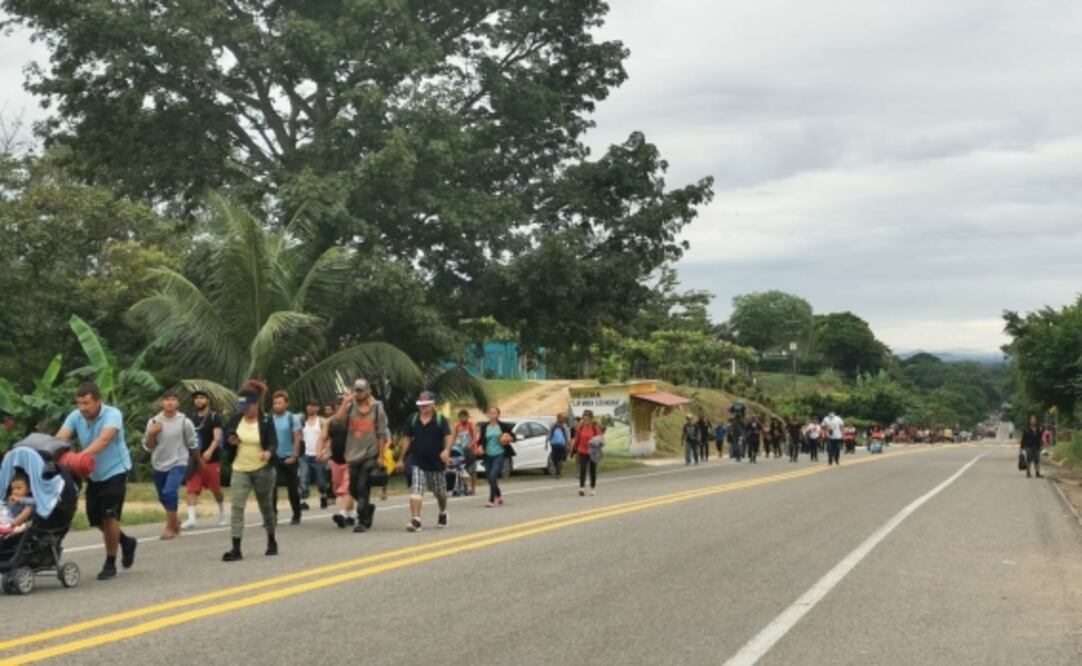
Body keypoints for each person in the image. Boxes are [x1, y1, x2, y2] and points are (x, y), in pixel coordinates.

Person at [56, 381, 137, 581]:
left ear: (98, 401)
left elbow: (104, 440)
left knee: (109, 516)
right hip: (94, 475)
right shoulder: (76, 416)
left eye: (86, 403)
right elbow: (60, 438)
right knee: (97, 519)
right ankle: (126, 542)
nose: (82, 408)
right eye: (79, 404)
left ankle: (110, 563)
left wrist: (77, 458)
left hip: (116, 470)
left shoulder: (112, 414)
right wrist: (49, 451)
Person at [222, 380, 278, 562]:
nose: (244, 409)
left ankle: (271, 539)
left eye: (247, 406)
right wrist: (231, 442)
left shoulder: (267, 420)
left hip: (262, 469)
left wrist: (268, 452)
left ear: (256, 404)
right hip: (240, 468)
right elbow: (227, 438)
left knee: (266, 506)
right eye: (241, 406)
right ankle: (236, 548)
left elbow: (272, 441)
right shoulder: (235, 418)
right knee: (237, 507)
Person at [332, 379, 389, 532]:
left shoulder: (377, 409)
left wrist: (381, 457)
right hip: (352, 454)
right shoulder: (350, 407)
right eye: (356, 390)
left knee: (362, 486)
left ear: (368, 392)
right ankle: (368, 508)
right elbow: (337, 420)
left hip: (370, 453)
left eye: (361, 391)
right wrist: (345, 402)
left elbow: (381, 434)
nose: (358, 393)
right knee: (353, 489)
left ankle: (362, 521)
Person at [142, 389, 200, 540]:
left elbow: (192, 444)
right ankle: (175, 521)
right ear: (162, 403)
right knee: (163, 496)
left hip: (179, 462)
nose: (170, 402)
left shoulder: (184, 422)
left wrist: (199, 463)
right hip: (159, 463)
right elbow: (148, 446)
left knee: (169, 492)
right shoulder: (154, 421)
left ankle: (169, 527)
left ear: (178, 403)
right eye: (167, 400)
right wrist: (152, 433)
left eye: (173, 399)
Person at [398, 391, 452, 531]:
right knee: (416, 489)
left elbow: (448, 437)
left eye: (426, 405)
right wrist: (401, 458)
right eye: (421, 405)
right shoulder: (413, 419)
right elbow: (406, 439)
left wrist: (446, 450)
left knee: (440, 493)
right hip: (418, 461)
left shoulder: (441, 419)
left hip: (436, 463)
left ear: (433, 405)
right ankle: (416, 520)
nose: (423, 408)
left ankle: (443, 512)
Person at [182, 389, 226, 529]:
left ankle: (222, 513)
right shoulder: (191, 418)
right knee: (191, 489)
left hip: (211, 460)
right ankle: (191, 518)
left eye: (202, 398)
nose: (198, 400)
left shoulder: (214, 417)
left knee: (216, 490)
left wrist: (210, 450)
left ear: (208, 400)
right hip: (194, 460)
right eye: (196, 398)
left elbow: (217, 437)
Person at [319, 392, 355, 528]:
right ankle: (351, 514)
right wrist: (322, 452)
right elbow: (324, 439)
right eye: (338, 406)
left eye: (344, 404)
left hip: (351, 460)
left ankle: (342, 513)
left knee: (347, 488)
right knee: (339, 488)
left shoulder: (353, 420)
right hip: (336, 460)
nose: (341, 408)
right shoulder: (330, 422)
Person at [270, 391, 303, 525]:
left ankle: (296, 513)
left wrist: (294, 456)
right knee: (271, 488)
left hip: (289, 457)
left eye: (280, 403)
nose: (277, 405)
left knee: (292, 488)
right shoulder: (269, 419)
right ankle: (272, 516)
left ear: (286, 404)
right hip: (274, 458)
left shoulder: (292, 418)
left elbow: (297, 438)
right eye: (275, 403)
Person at [478, 407, 514, 507]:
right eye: (490, 413)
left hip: (500, 453)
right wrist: (480, 447)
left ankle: (491, 500)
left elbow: (512, 436)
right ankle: (499, 495)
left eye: (494, 413)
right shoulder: (484, 427)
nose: (492, 415)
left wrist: (509, 438)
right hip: (488, 454)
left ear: (498, 414)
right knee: (490, 479)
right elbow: (481, 440)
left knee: (493, 475)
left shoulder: (503, 426)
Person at [299, 399, 330, 510]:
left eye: (312, 406)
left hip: (318, 455)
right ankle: (304, 501)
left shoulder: (322, 421)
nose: (310, 408)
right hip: (304, 455)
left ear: (317, 408)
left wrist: (325, 451)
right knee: (304, 477)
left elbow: (327, 438)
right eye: (308, 406)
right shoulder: (302, 421)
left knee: (321, 481)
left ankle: (323, 495)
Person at [572, 410, 604, 496]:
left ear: (591, 419)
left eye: (587, 419)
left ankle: (593, 488)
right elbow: (577, 439)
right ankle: (581, 488)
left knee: (592, 470)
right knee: (582, 469)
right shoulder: (581, 428)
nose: (586, 421)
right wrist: (574, 449)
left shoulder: (595, 429)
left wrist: (597, 444)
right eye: (584, 419)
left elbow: (601, 439)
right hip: (582, 451)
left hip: (592, 452)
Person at [451, 409, 479, 494]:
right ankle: (464, 487)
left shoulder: (471, 425)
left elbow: (475, 437)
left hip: (471, 450)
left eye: (464, 417)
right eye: (460, 417)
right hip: (460, 450)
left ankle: (473, 488)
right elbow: (453, 437)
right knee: (461, 469)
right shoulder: (457, 426)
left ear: (467, 417)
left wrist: (470, 445)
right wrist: (451, 447)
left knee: (472, 470)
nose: (462, 419)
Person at [547, 413, 571, 478]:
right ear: (558, 418)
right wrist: (546, 442)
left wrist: (568, 445)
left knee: (560, 459)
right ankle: (558, 471)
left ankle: (558, 472)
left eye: (563, 418)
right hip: (554, 445)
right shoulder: (553, 425)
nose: (563, 419)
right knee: (555, 459)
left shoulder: (565, 426)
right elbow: (549, 433)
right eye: (561, 418)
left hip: (562, 445)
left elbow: (568, 436)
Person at [1020, 415, 1043, 479]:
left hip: (1037, 446)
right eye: (1032, 420)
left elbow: (1040, 437)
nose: (1033, 421)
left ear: (1036, 421)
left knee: (1037, 460)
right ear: (1030, 421)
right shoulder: (1026, 429)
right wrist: (1021, 448)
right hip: (1028, 446)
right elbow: (1023, 439)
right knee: (1029, 460)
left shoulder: (1038, 428)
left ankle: (1038, 473)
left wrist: (1041, 431)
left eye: (1034, 420)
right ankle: (1028, 472)